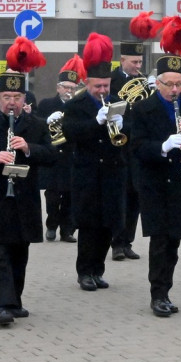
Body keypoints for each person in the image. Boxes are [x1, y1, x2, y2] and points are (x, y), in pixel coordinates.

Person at [129, 18, 181, 317]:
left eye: (180, 84)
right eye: (170, 84)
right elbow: (136, 146)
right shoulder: (142, 108)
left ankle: (166, 288)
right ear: (158, 84)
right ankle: (158, 294)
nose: (176, 89)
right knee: (160, 240)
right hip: (154, 181)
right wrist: (162, 146)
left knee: (174, 240)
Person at [0, 56, 55, 327]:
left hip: (26, 197)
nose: (12, 102)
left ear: (24, 98)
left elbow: (52, 156)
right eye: (7, 96)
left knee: (21, 250)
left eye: (17, 96)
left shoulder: (37, 125)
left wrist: (28, 148)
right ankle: (3, 305)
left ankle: (15, 300)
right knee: (1, 251)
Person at [61, 33, 127, 292]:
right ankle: (84, 272)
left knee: (108, 223)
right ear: (87, 84)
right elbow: (70, 133)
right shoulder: (76, 105)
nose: (102, 91)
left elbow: (128, 135)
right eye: (97, 87)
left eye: (106, 87)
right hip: (87, 173)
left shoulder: (117, 103)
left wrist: (124, 126)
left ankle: (98, 270)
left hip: (112, 171)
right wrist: (96, 122)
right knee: (89, 225)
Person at [35, 56, 83, 243]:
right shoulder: (47, 104)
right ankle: (51, 225)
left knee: (71, 195)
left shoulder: (78, 107)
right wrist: (47, 121)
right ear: (58, 88)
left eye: (72, 88)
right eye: (66, 87)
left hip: (71, 156)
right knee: (53, 195)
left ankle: (67, 230)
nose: (69, 91)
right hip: (54, 157)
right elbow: (37, 128)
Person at [109, 40, 147, 261]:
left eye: (140, 61)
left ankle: (128, 241)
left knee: (135, 198)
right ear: (122, 60)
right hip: (118, 148)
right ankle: (116, 243)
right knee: (120, 198)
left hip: (137, 149)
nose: (137, 66)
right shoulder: (111, 81)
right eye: (134, 61)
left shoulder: (142, 82)